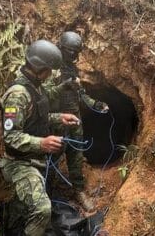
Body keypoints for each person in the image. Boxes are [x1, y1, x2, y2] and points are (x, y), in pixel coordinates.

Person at [0, 39, 80, 235]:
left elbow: (39, 116)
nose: (51, 74)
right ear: (40, 68)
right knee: (42, 209)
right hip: (19, 163)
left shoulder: (36, 87)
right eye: (50, 70)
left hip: (36, 160)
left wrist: (60, 118)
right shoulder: (18, 95)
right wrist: (41, 143)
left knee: (21, 210)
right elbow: (10, 137)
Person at [52, 31, 108, 211]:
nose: (74, 56)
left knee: (76, 155)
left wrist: (96, 104)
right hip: (56, 120)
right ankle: (47, 193)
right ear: (60, 47)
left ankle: (78, 190)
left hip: (75, 118)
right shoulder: (50, 68)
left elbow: (81, 94)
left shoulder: (72, 69)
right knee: (51, 156)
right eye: (71, 51)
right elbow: (42, 96)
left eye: (77, 52)